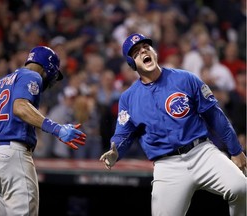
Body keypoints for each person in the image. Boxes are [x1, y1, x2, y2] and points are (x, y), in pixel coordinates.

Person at [99, 33, 246, 216]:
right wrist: (116, 152)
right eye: (136, 52)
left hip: (202, 152)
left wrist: (236, 150)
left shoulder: (185, 79)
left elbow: (214, 115)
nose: (143, 50)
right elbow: (124, 135)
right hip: (167, 166)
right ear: (131, 63)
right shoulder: (128, 98)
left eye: (146, 47)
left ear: (154, 52)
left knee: (241, 187)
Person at [0, 46, 87, 216]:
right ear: (48, 67)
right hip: (13, 157)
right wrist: (57, 129)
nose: (53, 79)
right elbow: (20, 107)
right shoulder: (31, 75)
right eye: (54, 73)